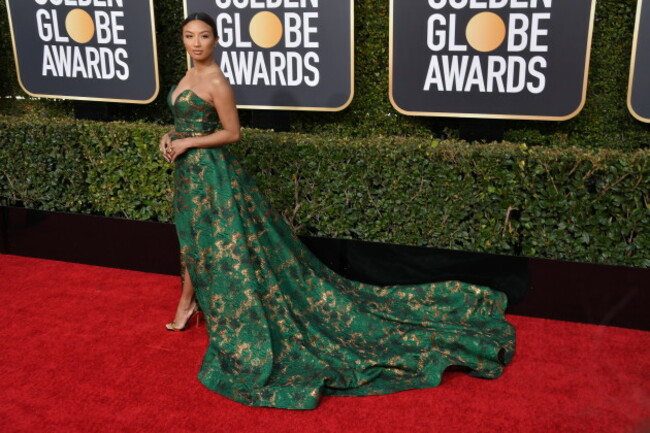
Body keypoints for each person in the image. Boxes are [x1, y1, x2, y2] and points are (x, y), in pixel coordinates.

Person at [160, 12, 515, 410]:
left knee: (219, 243)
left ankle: (189, 305)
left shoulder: (217, 82)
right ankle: (188, 303)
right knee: (190, 235)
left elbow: (232, 133)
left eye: (204, 36)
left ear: (216, 40)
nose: (196, 43)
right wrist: (171, 135)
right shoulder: (187, 77)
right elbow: (184, 121)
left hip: (215, 178)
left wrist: (189, 144)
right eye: (189, 36)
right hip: (188, 176)